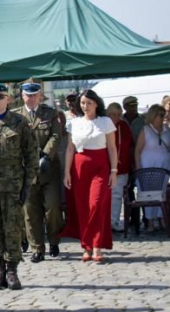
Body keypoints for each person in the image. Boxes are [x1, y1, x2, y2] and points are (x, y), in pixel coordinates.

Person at [0, 84, 37, 291]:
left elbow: (31, 155)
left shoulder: (20, 123)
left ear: (8, 99)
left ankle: (12, 269)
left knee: (13, 227)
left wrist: (28, 184)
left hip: (12, 184)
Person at [61, 89, 118, 262]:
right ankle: (86, 246)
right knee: (82, 207)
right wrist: (66, 172)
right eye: (83, 103)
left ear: (96, 104)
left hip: (100, 167)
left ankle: (97, 245)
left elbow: (112, 148)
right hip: (79, 168)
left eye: (89, 103)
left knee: (96, 204)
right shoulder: (74, 123)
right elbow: (70, 149)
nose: (85, 106)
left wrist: (114, 171)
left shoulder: (105, 121)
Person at [13, 80, 63, 263]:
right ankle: (37, 248)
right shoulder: (15, 115)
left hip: (48, 170)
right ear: (22, 96)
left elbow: (56, 136)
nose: (32, 98)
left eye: (35, 95)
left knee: (53, 207)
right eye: (28, 95)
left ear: (40, 96)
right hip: (26, 170)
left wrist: (45, 155)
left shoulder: (50, 113)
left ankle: (54, 240)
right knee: (30, 211)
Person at [133, 104, 170, 232]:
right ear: (154, 116)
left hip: (164, 167)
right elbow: (138, 150)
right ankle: (150, 221)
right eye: (161, 115)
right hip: (148, 167)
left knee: (162, 192)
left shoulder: (166, 129)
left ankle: (161, 218)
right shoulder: (146, 130)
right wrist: (138, 168)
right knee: (148, 194)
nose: (163, 117)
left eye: (164, 115)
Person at [105, 103, 134, 232]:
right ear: (108, 114)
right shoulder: (103, 126)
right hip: (105, 167)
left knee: (116, 196)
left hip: (122, 167)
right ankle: (105, 222)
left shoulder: (124, 126)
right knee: (105, 196)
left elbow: (129, 144)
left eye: (118, 114)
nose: (116, 117)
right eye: (113, 114)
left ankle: (113, 221)